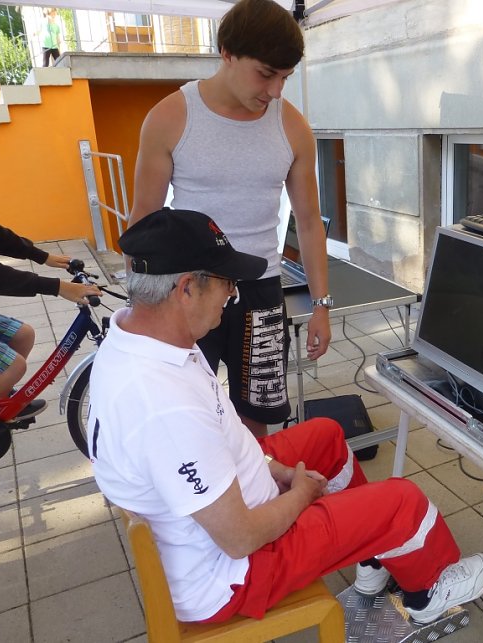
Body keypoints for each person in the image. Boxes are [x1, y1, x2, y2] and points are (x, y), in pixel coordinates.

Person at [89, 208, 483, 625]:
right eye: (227, 282)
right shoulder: (164, 403)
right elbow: (239, 538)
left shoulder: (144, 337)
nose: (232, 295)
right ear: (187, 288)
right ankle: (429, 593)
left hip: (217, 521)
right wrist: (300, 495)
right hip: (234, 574)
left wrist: (274, 468)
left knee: (326, 436)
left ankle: (372, 554)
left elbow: (225, 441)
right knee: (403, 502)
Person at [129, 0, 330, 438]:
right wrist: (141, 306)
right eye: (266, 74)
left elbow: (309, 222)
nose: (275, 90)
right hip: (189, 287)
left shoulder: (293, 127)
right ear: (227, 53)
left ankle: (256, 480)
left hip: (260, 287)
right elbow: (143, 220)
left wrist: (321, 306)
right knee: (184, 411)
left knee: (257, 414)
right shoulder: (170, 117)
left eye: (285, 77)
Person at [0, 186, 101, 465]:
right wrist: (56, 287)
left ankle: (1, 408)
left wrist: (39, 255)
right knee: (12, 367)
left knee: (23, 335)